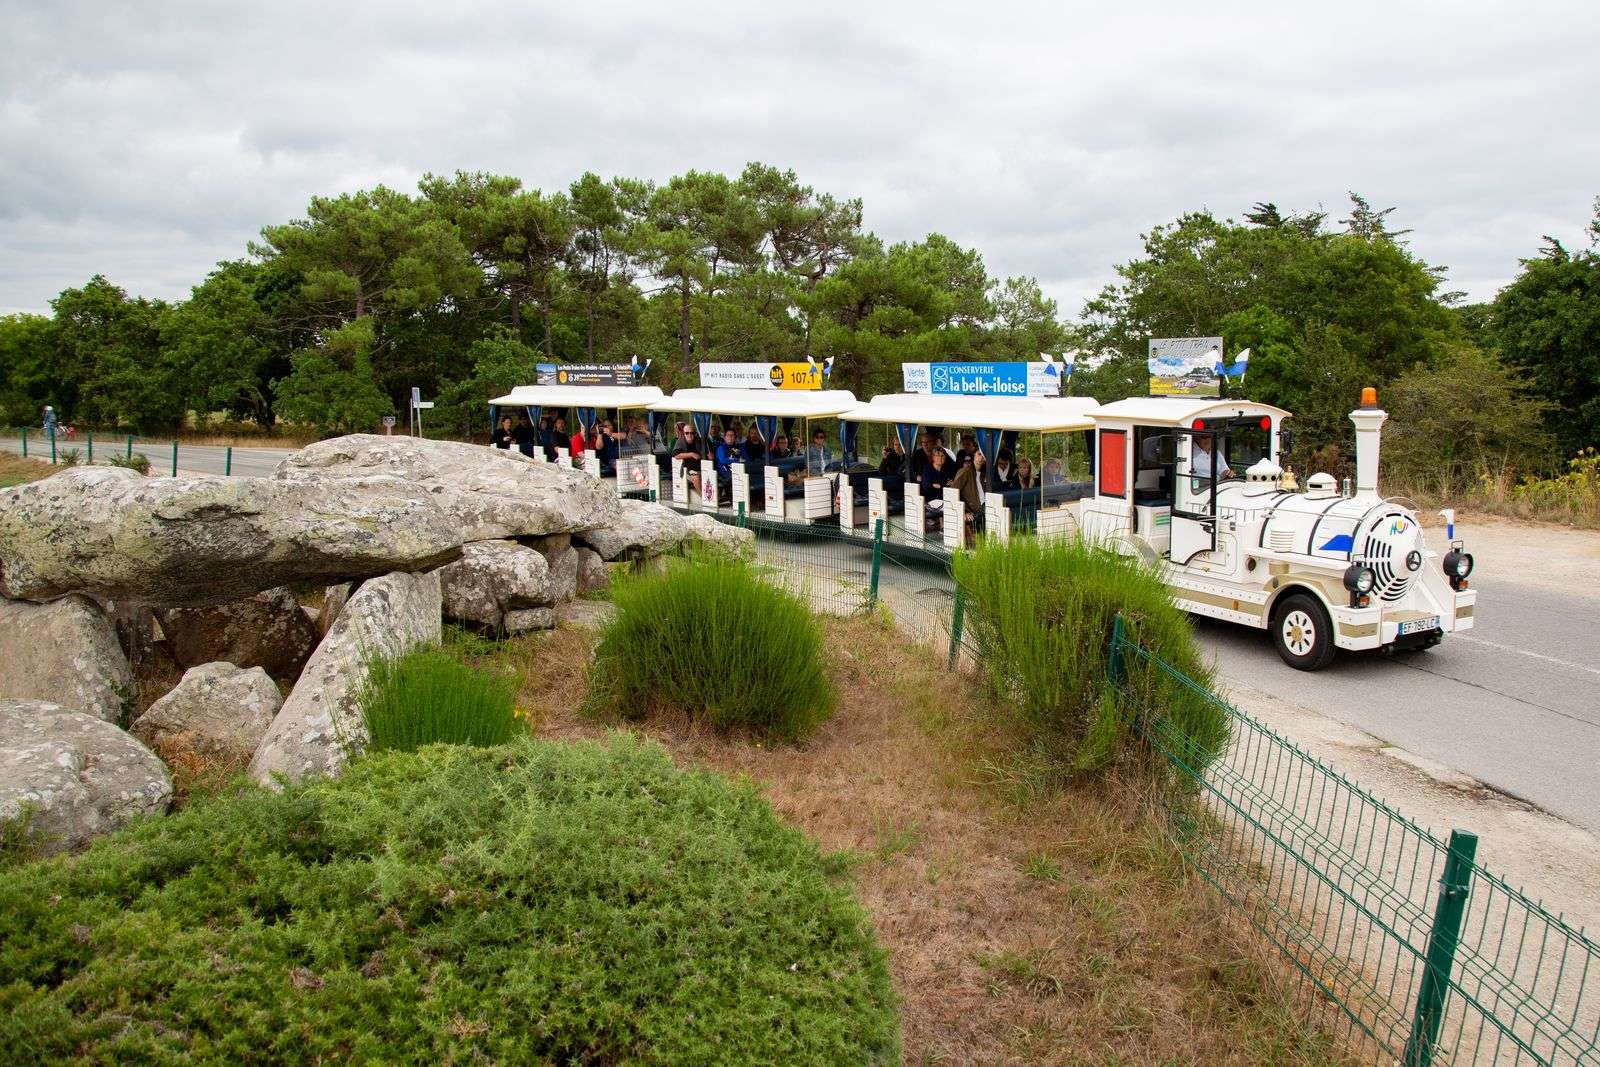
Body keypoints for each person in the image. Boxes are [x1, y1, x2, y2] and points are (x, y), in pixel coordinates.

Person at [673, 427, 704, 494]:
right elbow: (676, 455)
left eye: (692, 433)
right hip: (688, 468)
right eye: (687, 433)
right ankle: (703, 497)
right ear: (684, 434)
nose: (689, 435)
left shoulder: (699, 440)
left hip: (702, 466)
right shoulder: (681, 441)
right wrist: (691, 454)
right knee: (696, 478)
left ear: (695, 433)